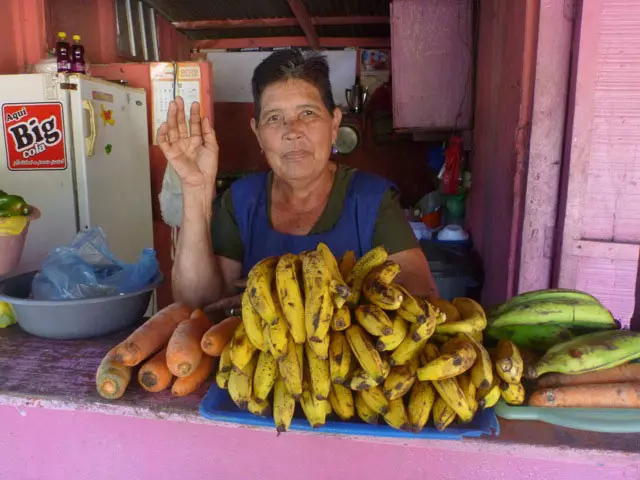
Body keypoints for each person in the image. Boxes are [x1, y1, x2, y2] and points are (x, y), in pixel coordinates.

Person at [157, 50, 438, 311]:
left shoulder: (372, 201)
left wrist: (289, 302)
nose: (292, 131)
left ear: (335, 123)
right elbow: (197, 304)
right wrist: (195, 190)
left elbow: (421, 296)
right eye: (274, 118)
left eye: (308, 113)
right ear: (257, 133)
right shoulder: (240, 202)